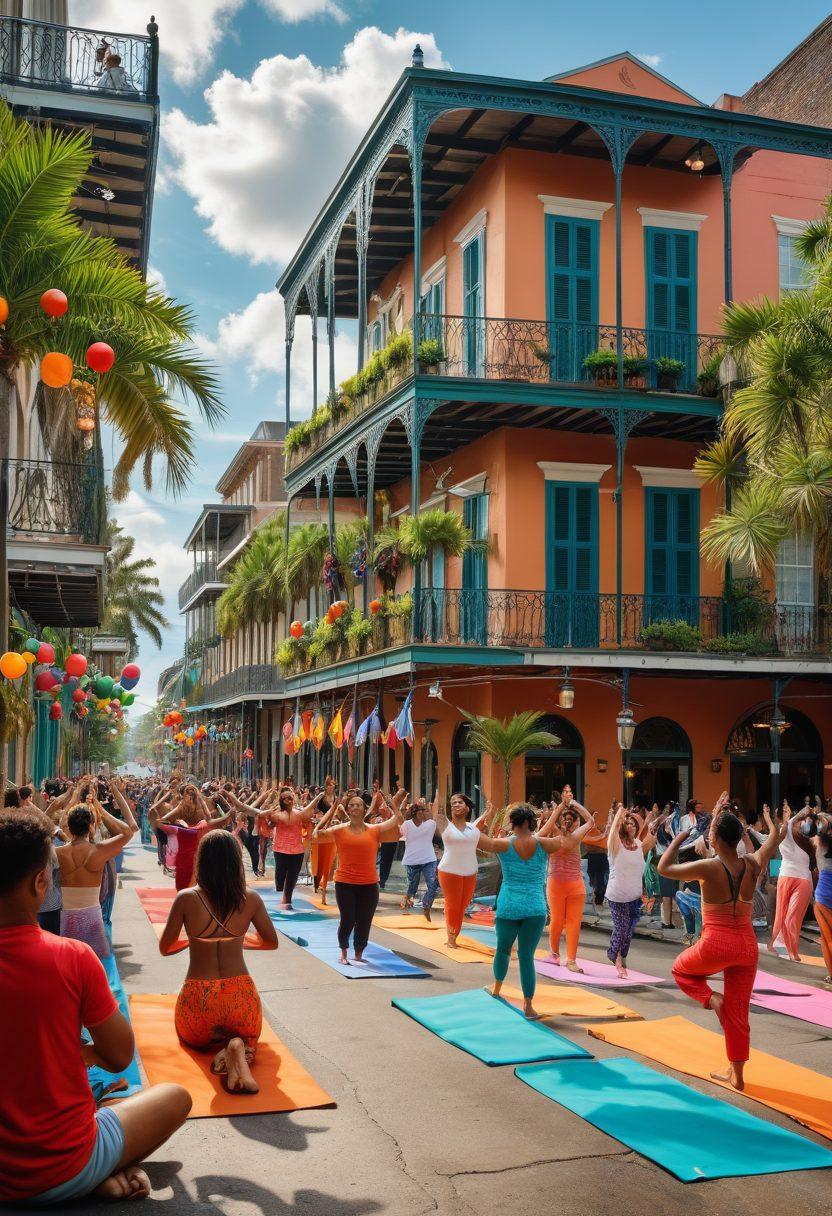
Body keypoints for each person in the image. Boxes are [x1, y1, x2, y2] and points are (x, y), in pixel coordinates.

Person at [0, 810, 191, 1204]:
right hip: (67, 1166)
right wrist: (84, 1052)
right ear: (40, 882)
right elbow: (120, 1056)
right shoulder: (73, 958)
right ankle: (99, 1175)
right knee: (174, 1097)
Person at [659, 800, 782, 1090]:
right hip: (747, 947)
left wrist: (680, 836)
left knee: (680, 971)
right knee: (738, 1010)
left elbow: (664, 867)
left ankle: (713, 1000)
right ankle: (737, 1075)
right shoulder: (752, 863)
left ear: (714, 838)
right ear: (739, 838)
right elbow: (774, 839)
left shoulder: (709, 866)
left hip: (717, 943)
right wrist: (775, 822)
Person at [159, 830, 278, 1093]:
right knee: (245, 1032)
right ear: (236, 862)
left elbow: (165, 948)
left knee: (194, 1038)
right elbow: (270, 942)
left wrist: (196, 939)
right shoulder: (251, 899)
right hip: (241, 998)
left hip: (199, 1000)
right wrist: (240, 939)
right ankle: (238, 1047)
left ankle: (228, 1052)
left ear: (203, 861)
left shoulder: (187, 899)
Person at [478, 803, 566, 1019]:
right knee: (527, 956)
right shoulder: (544, 844)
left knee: (503, 950)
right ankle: (528, 1006)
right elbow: (562, 840)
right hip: (535, 907)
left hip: (509, 906)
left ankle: (497, 988)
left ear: (514, 823)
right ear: (530, 822)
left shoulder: (503, 844)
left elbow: (482, 840)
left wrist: (484, 818)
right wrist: (557, 817)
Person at [314, 790, 405, 965]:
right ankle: (343, 952)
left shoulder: (374, 830)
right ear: (348, 810)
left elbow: (396, 821)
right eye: (352, 805)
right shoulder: (339, 830)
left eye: (358, 805)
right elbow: (317, 834)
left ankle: (358, 952)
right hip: (345, 883)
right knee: (348, 919)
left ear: (364, 810)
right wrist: (333, 807)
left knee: (364, 920)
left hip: (369, 884)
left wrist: (395, 803)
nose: (355, 807)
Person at [57, 784, 137, 959]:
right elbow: (128, 830)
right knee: (97, 968)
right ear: (91, 826)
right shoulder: (98, 851)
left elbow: (51, 822)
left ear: (69, 828)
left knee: (70, 967)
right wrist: (100, 809)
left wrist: (74, 796)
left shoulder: (58, 853)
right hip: (92, 918)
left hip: (67, 919)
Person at [538, 793, 596, 971]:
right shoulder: (553, 834)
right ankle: (554, 954)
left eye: (571, 819)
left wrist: (572, 804)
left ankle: (571, 959)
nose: (567, 822)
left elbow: (590, 821)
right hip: (556, 885)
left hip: (574, 886)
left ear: (576, 823)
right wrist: (562, 807)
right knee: (556, 921)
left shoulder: (577, 834)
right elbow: (545, 829)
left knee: (572, 922)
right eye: (565, 819)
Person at [605, 802, 662, 977]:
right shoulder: (615, 845)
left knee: (628, 933)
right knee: (621, 929)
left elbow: (652, 836)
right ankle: (615, 957)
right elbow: (613, 833)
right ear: (622, 825)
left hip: (635, 897)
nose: (631, 825)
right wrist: (617, 816)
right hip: (617, 895)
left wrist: (655, 817)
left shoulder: (638, 845)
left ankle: (621, 955)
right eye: (627, 823)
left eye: (633, 824)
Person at [437, 792, 490, 947]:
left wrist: (488, 812)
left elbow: (480, 822)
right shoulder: (445, 824)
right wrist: (436, 798)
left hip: (470, 872)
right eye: (453, 802)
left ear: (467, 808)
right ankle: (451, 937)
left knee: (463, 904)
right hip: (449, 871)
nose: (456, 804)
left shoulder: (472, 829)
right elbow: (437, 813)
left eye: (460, 802)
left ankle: (454, 933)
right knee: (453, 904)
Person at [158, 784, 232, 890]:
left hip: (197, 846)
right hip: (206, 844)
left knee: (196, 880)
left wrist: (180, 829)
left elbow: (163, 822)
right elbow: (225, 817)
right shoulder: (204, 802)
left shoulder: (184, 807)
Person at [768, 800, 815, 962]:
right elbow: (771, 842)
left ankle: (792, 950)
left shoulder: (808, 834)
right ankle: (772, 942)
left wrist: (804, 814)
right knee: (781, 914)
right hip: (786, 875)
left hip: (803, 879)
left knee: (792, 917)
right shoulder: (784, 829)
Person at [268, 787, 323, 910]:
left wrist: (317, 799)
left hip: (297, 849)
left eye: (290, 798)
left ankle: (287, 900)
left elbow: (307, 820)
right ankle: (282, 896)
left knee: (293, 876)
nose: (289, 800)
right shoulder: (277, 813)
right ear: (281, 800)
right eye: (286, 798)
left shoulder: (299, 813)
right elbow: (270, 824)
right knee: (280, 875)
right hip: (280, 848)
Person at [399, 792, 441, 920]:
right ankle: (407, 896)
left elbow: (435, 811)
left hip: (429, 860)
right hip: (412, 861)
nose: (425, 813)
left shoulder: (430, 824)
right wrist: (404, 802)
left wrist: (437, 795)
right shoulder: (407, 825)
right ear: (416, 813)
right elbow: (400, 815)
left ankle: (426, 906)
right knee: (413, 887)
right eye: (423, 811)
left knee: (433, 886)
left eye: (426, 811)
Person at [809, 811, 832, 985]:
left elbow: (809, 832)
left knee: (827, 937)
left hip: (824, 895)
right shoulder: (823, 842)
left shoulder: (820, 844)